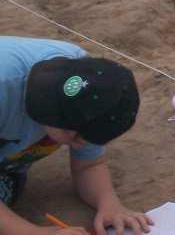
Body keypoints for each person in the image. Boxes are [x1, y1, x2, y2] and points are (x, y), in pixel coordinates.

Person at [0, 37, 149, 235]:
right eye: (81, 140)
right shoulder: (6, 88)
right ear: (70, 131)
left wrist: (109, 205)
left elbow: (89, 165)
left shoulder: (89, 83)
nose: (81, 146)